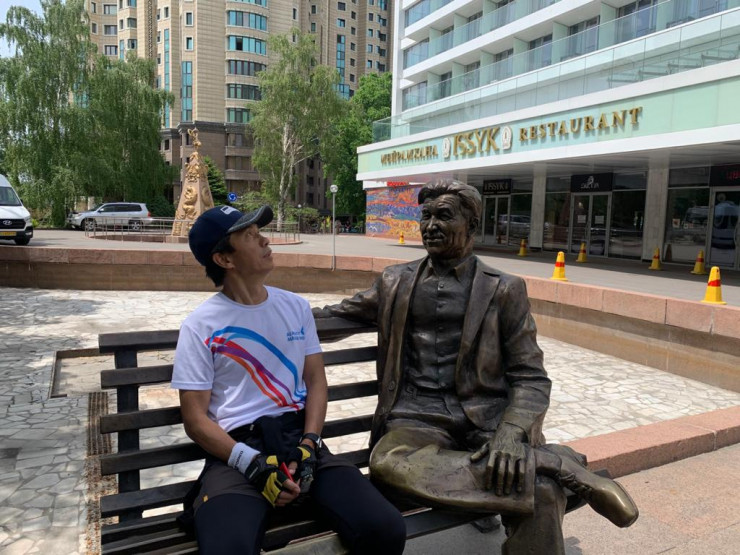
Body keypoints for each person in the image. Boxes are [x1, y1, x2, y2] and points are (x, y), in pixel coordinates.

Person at [314, 179, 639, 554]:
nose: (430, 226)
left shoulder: (504, 289)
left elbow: (531, 377)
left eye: (443, 216)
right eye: (425, 216)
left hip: (486, 422)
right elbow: (334, 316)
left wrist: (511, 433)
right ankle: (554, 465)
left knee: (538, 490)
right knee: (388, 464)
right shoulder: (394, 281)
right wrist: (269, 313)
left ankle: (537, 471)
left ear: (472, 225)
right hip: (415, 420)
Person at [172, 205, 406, 554]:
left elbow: (316, 381)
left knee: (385, 528)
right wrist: (251, 464)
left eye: (259, 232)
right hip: (237, 452)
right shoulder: (200, 325)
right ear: (224, 259)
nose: (265, 241)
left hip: (299, 440)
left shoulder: (295, 307)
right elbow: (195, 419)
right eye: (250, 236)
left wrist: (310, 444)